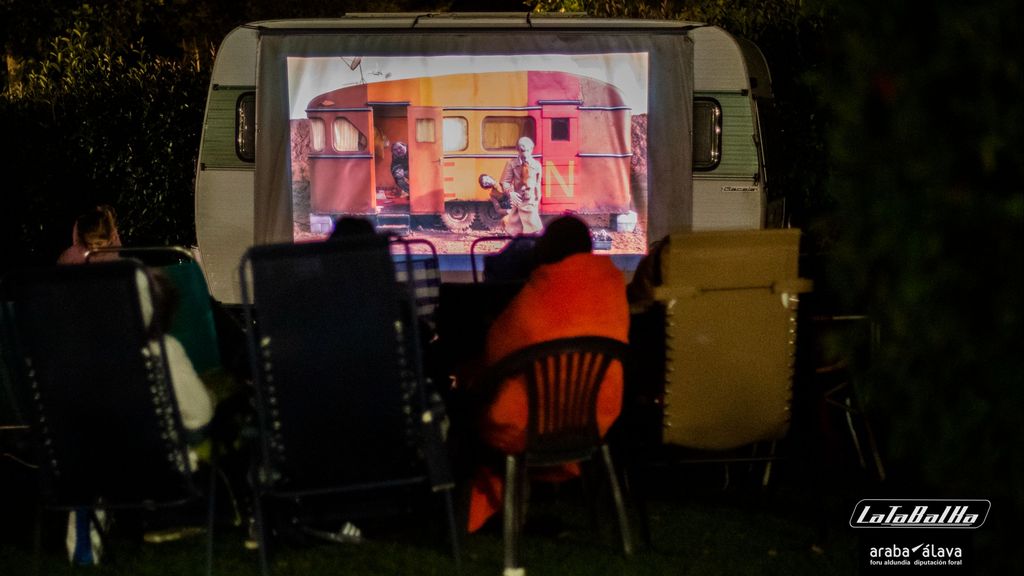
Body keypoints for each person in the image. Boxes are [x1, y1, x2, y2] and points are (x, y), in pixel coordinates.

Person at [462, 215, 630, 533]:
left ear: (544, 250)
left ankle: (477, 510)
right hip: (594, 422)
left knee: (471, 413)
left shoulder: (536, 296)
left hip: (529, 428)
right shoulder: (613, 285)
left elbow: (495, 355)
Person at [499, 137, 544, 235]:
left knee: (535, 230)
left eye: (528, 150)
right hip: (518, 201)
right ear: (518, 150)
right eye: (523, 150)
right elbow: (505, 182)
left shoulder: (536, 165)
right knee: (516, 231)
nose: (525, 154)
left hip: (531, 201)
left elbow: (537, 184)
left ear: (532, 149)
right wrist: (510, 193)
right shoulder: (511, 164)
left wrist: (537, 200)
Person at [57, 205, 122, 264]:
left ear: (110, 238)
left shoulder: (116, 257)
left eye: (98, 243)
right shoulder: (74, 256)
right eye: (89, 243)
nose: (93, 247)